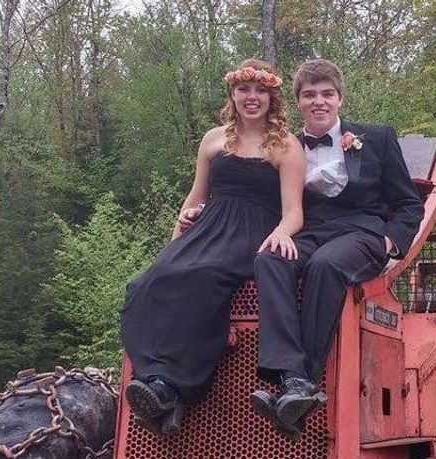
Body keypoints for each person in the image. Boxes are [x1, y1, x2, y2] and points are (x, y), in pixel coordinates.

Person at [120, 59, 305, 436]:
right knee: (147, 282)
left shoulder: (286, 144)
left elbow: (294, 211)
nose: (251, 97)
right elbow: (195, 197)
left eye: (260, 90)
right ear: (232, 94)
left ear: (272, 97)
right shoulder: (213, 139)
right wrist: (173, 244)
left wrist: (282, 233)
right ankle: (153, 381)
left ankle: (173, 386)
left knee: (201, 276)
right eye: (243, 89)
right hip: (208, 228)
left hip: (252, 232)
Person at [250, 59, 424, 438]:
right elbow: (258, 197)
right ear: (298, 102)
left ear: (340, 97)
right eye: (309, 95)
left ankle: (305, 382)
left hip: (362, 232)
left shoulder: (376, 137)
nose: (319, 102)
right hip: (309, 232)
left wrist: (391, 241)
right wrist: (203, 210)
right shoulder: (285, 146)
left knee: (326, 266)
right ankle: (291, 376)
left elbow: (409, 204)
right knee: (269, 259)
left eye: (327, 94)